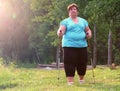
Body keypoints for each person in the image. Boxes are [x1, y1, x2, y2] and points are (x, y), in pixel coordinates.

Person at [57, 3, 92, 85]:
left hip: (82, 45)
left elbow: (88, 30)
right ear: (69, 12)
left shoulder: (83, 21)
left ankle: (81, 80)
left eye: (75, 9)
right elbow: (61, 30)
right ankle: (70, 82)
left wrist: (89, 34)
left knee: (82, 63)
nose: (73, 11)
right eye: (71, 9)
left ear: (77, 12)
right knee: (69, 63)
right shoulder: (65, 21)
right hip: (69, 45)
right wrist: (60, 32)